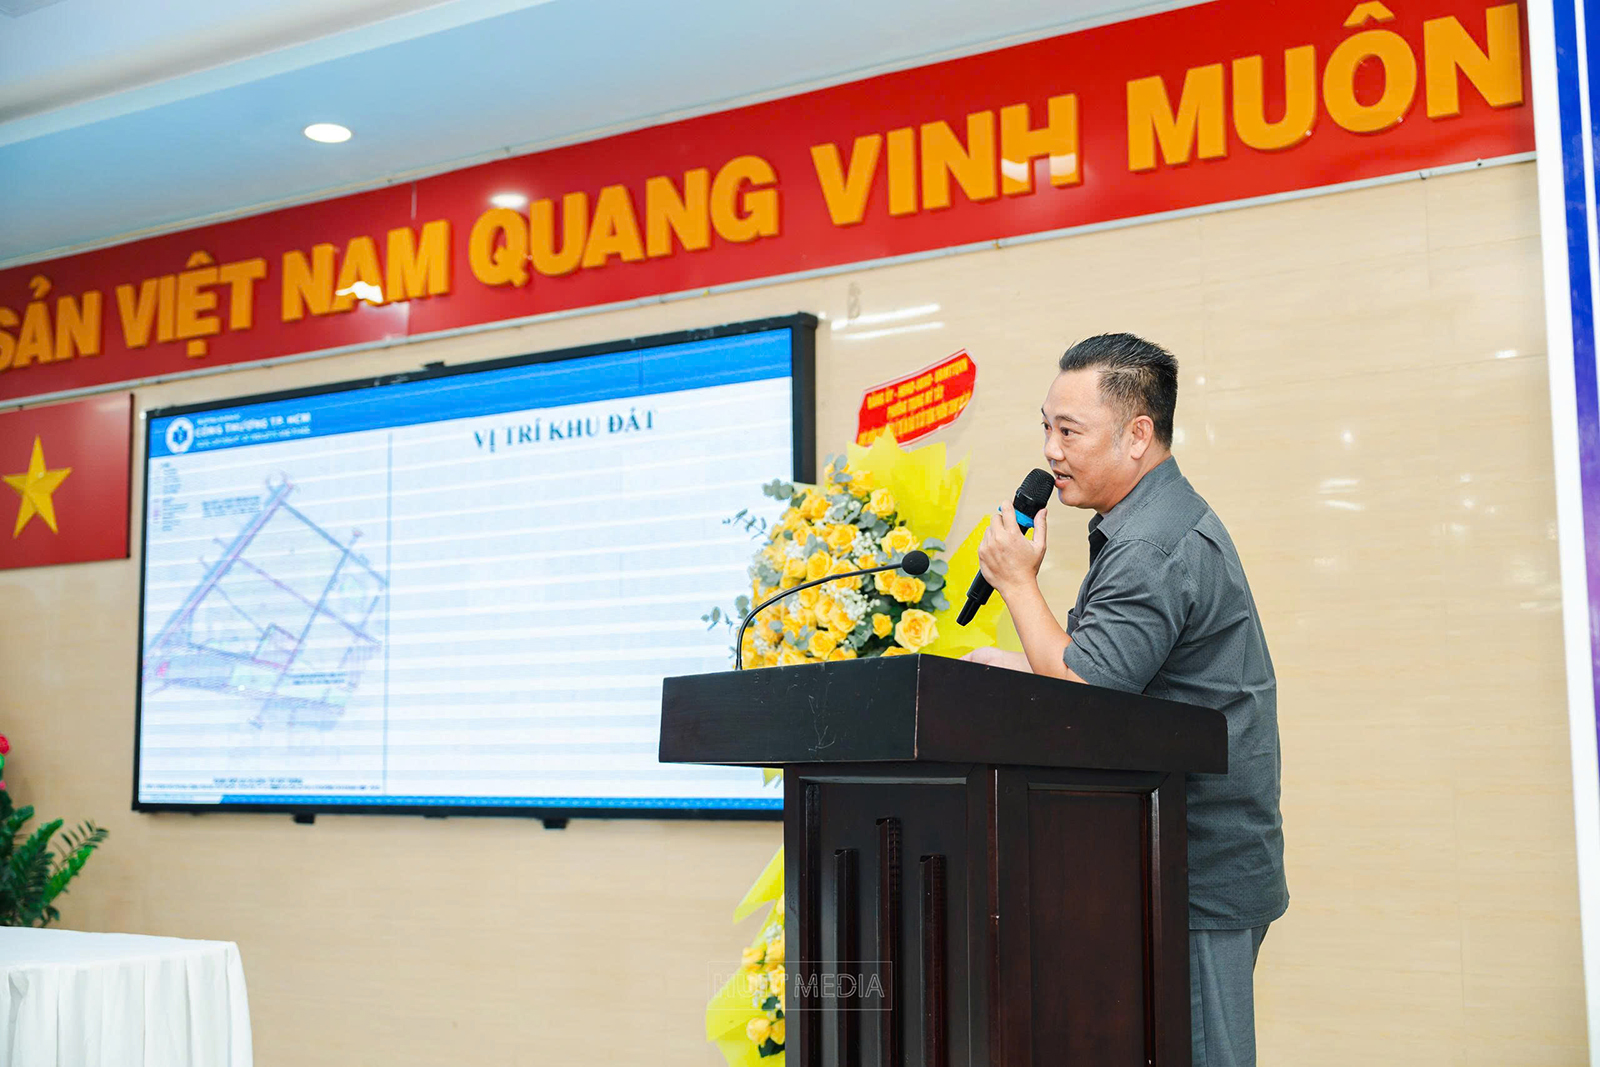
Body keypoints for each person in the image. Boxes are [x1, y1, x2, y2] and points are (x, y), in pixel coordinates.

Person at [963, 333, 1287, 1067]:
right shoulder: (1146, 524)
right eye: (1046, 427)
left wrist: (1017, 582)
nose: (1050, 450)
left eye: (1069, 431)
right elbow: (1110, 669)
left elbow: (1086, 692)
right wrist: (1001, 667)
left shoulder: (1151, 545)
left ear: (1138, 434)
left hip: (1197, 868)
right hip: (1163, 858)